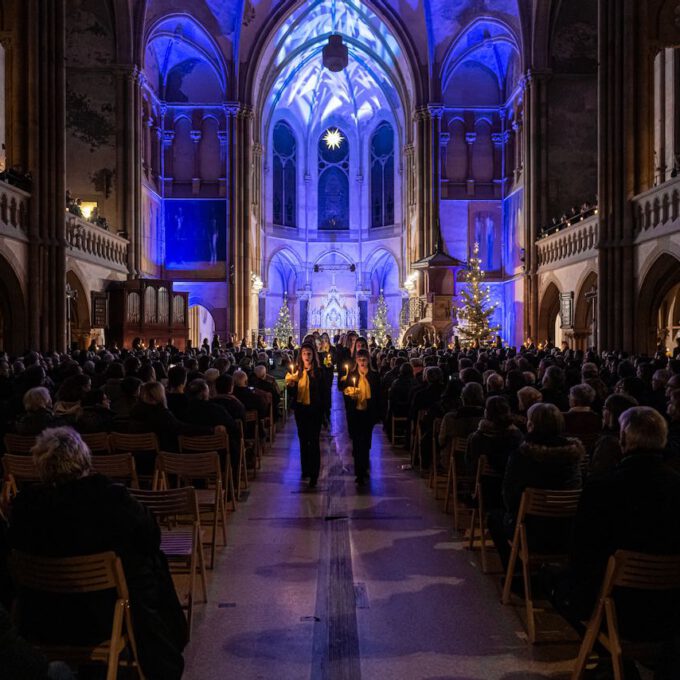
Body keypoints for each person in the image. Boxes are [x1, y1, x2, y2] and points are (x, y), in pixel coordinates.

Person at [7, 427, 188, 679]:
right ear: (83, 459)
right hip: (103, 613)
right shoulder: (110, 497)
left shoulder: (25, 506)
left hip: (42, 614)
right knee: (151, 563)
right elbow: (150, 537)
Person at [286, 343, 328, 488]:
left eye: (309, 354)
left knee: (314, 441)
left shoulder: (319, 372)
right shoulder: (296, 372)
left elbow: (324, 394)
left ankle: (314, 474)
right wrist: (291, 386)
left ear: (313, 355)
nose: (306, 357)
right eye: (304, 354)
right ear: (301, 355)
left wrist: (324, 413)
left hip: (314, 411)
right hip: (301, 410)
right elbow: (293, 394)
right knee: (303, 441)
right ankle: (306, 469)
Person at [343, 349, 381, 485]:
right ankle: (359, 471)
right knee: (357, 443)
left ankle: (364, 467)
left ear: (368, 361)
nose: (362, 362)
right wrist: (351, 396)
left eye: (364, 360)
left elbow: (378, 395)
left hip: (368, 413)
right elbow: (346, 393)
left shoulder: (374, 376)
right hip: (356, 413)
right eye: (360, 360)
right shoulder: (352, 375)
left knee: (366, 442)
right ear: (356, 361)